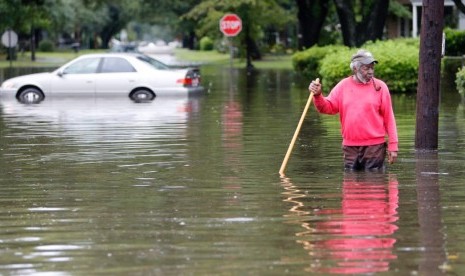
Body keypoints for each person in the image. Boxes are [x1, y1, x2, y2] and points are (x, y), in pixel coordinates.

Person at [308, 49, 398, 171]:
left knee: (374, 183)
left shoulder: (381, 87)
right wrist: (318, 95)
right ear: (355, 69)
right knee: (350, 183)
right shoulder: (343, 86)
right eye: (366, 68)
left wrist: (393, 146)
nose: (371, 71)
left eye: (372, 67)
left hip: (374, 147)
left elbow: (389, 118)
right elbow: (326, 108)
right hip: (350, 147)